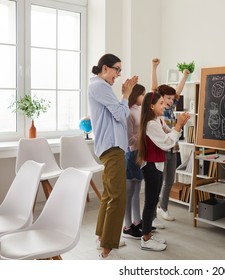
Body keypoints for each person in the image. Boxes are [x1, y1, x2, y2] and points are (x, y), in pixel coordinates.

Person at [88, 53, 138, 259]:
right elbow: (120, 115)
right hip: (112, 148)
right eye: (117, 69)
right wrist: (126, 95)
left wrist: (122, 99)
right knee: (118, 196)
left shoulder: (101, 87)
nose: (118, 74)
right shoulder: (100, 86)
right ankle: (108, 244)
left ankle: (102, 237)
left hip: (111, 147)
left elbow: (117, 114)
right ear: (105, 68)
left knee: (109, 195)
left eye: (120, 70)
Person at [137, 91, 190, 251]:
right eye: (160, 103)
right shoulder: (151, 124)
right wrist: (179, 126)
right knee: (150, 203)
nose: (164, 105)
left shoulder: (158, 120)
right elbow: (167, 143)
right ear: (151, 106)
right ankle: (145, 238)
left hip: (158, 164)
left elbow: (169, 133)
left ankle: (148, 233)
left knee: (153, 202)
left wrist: (179, 125)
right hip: (151, 166)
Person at [150, 58, 190, 228]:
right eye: (168, 98)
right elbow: (154, 88)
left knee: (169, 180)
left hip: (173, 148)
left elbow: (178, 91)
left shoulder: (172, 107)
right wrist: (154, 67)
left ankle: (163, 207)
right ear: (160, 98)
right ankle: (151, 215)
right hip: (161, 148)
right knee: (157, 182)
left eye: (173, 99)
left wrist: (185, 76)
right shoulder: (157, 108)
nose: (171, 101)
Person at [122, 84, 146, 239]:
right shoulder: (128, 112)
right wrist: (142, 140)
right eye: (142, 94)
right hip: (132, 153)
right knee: (129, 191)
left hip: (140, 152)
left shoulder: (139, 110)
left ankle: (137, 222)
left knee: (137, 190)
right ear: (135, 94)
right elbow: (129, 138)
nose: (144, 97)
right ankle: (127, 225)